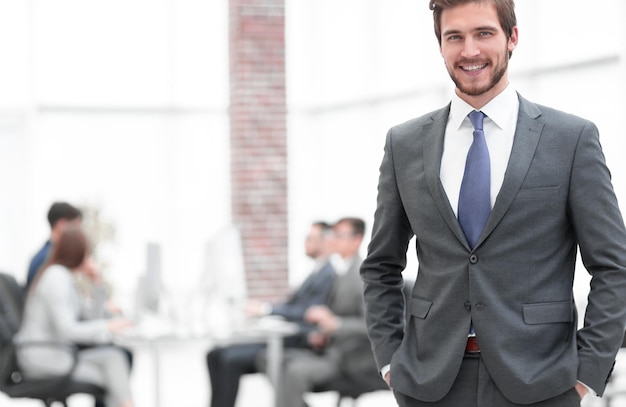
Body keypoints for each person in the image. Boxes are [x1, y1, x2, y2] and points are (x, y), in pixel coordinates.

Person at [359, 1, 626, 406]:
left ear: (512, 37)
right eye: (455, 37)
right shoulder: (405, 144)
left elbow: (613, 266)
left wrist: (587, 373)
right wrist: (390, 361)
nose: (469, 50)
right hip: (429, 382)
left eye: (484, 33)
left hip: (542, 383)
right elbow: (381, 265)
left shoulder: (570, 139)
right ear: (440, 45)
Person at [206, 221, 337, 407]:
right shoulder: (315, 272)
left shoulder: (328, 274)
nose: (305, 243)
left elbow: (308, 312)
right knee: (214, 354)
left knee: (229, 359)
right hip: (284, 335)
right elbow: (293, 306)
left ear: (326, 242)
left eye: (310, 238)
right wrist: (263, 312)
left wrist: (266, 309)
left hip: (295, 341)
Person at [15, 226, 135, 407]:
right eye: (87, 254)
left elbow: (89, 316)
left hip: (58, 353)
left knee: (115, 358)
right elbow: (67, 330)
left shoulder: (65, 277)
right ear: (77, 252)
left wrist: (97, 283)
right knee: (112, 372)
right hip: (43, 358)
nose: (89, 259)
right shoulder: (56, 278)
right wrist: (107, 326)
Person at [269, 217, 377, 407]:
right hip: (330, 349)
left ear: (357, 239)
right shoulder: (339, 271)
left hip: (349, 357)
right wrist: (322, 332)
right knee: (273, 360)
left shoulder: (362, 276)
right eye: (332, 235)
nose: (333, 239)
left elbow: (372, 325)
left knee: (293, 372)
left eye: (340, 235)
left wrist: (336, 324)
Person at [26, 201, 83, 289]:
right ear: (61, 225)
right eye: (75, 227)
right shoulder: (48, 259)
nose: (78, 234)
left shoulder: (45, 255)